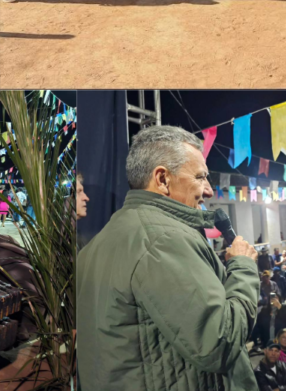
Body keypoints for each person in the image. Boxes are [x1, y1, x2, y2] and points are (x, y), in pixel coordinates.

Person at [76, 125, 260, 390]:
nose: (208, 190)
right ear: (162, 179)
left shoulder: (98, 245)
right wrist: (242, 266)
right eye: (200, 177)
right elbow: (219, 342)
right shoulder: (163, 240)